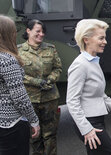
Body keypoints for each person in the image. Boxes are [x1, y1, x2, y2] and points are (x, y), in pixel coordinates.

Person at [66, 19, 111, 155]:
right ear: (86, 39)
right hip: (89, 124)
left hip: (97, 120)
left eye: (105, 38)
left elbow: (99, 92)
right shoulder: (80, 65)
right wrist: (86, 129)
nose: (105, 42)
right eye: (101, 38)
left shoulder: (93, 61)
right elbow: (72, 101)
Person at [18, 19, 62, 155]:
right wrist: (37, 82)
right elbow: (18, 74)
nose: (41, 34)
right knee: (34, 135)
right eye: (38, 31)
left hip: (50, 98)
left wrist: (50, 79)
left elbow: (58, 68)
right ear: (28, 31)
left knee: (50, 135)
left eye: (43, 32)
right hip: (30, 100)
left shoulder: (50, 48)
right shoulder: (18, 51)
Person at [0, 15, 40, 155]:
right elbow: (19, 97)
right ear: (8, 34)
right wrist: (33, 120)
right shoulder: (7, 60)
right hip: (12, 123)